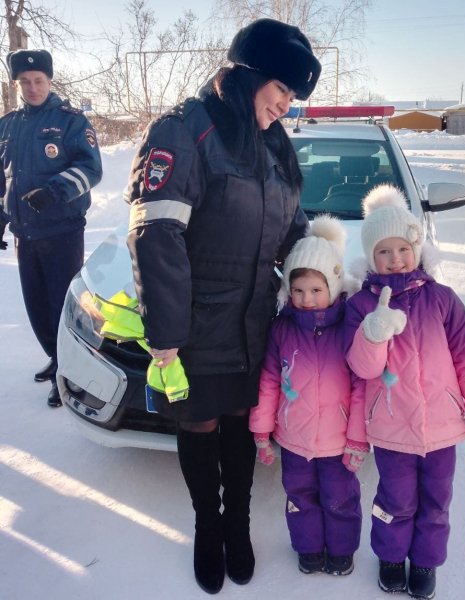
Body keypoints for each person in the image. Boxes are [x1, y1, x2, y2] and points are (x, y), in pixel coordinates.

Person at [124, 18, 321, 595]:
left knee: (242, 423)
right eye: (281, 90)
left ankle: (238, 521)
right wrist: (165, 338)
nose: (286, 105)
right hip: (193, 326)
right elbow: (156, 236)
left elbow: (292, 226)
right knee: (201, 423)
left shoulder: (274, 146)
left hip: (256, 321)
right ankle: (207, 525)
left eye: (292, 96)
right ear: (248, 75)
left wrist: (327, 269)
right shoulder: (186, 130)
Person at [344, 184, 465, 599]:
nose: (394, 259)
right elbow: (360, 368)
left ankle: (426, 562)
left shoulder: (443, 300)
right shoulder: (360, 305)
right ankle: (391, 557)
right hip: (392, 428)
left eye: (402, 248)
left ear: (417, 247)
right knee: (395, 499)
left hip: (442, 427)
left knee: (436, 501)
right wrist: (374, 333)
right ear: (371, 257)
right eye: (383, 252)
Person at [249, 215, 367, 577]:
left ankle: (342, 550)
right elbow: (270, 379)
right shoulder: (283, 328)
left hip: (338, 440)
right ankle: (309, 548)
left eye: (316, 290)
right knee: (300, 497)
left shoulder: (348, 327)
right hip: (295, 438)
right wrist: (261, 430)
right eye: (298, 290)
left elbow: (362, 384)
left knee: (340, 498)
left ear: (332, 286)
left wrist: (358, 439)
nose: (307, 299)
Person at [0, 49, 103, 407]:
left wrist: (55, 192)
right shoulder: (8, 124)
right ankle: (56, 356)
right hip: (25, 235)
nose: (32, 88)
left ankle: (68, 371)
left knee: (64, 307)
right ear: (17, 85)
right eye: (25, 82)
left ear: (49, 81)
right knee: (36, 306)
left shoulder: (70, 122)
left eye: (38, 81)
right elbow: (2, 179)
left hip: (61, 231)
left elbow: (91, 170)